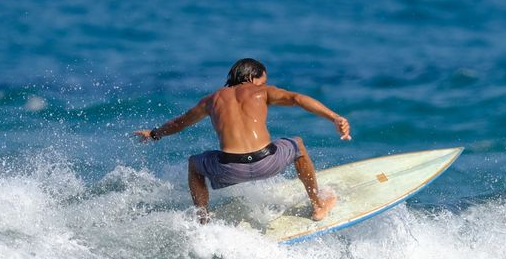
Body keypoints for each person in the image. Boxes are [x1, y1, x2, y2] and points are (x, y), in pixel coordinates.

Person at [133, 58, 351, 222]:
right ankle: (318, 205)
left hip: (229, 168)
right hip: (267, 162)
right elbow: (297, 99)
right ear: (251, 77)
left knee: (194, 164)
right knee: (298, 145)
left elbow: (180, 123)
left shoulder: (211, 100)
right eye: (263, 81)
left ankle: (203, 219)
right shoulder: (261, 91)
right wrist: (335, 117)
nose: (263, 84)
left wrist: (154, 134)